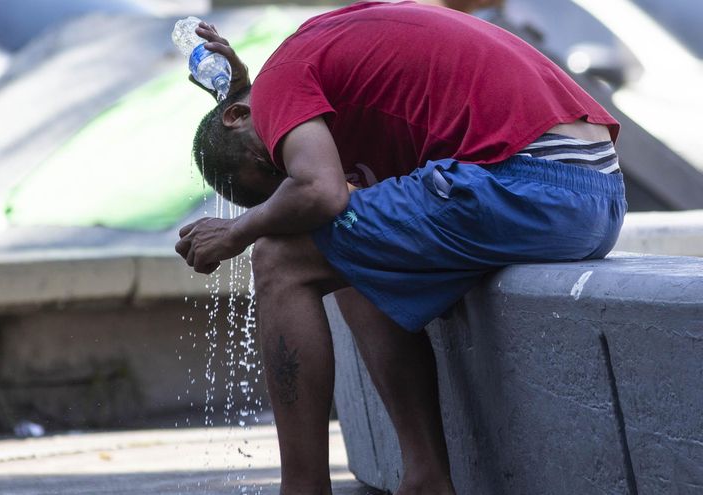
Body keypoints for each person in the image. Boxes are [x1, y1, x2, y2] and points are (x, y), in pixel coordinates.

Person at [174, 2, 627, 494]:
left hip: (531, 180)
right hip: (593, 193)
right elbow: (328, 200)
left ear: (238, 114)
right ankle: (425, 476)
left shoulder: (281, 78)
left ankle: (302, 488)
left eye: (276, 166)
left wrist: (238, 232)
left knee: (281, 257)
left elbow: (318, 192)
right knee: (348, 248)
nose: (289, 171)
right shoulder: (309, 76)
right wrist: (249, 96)